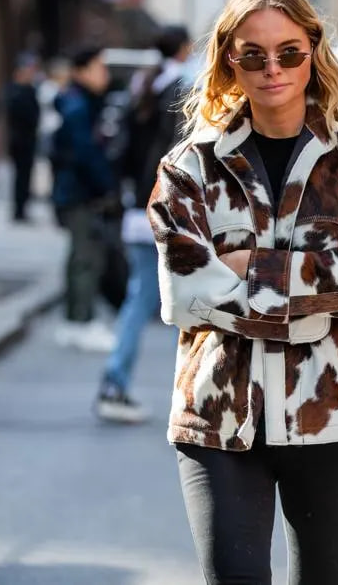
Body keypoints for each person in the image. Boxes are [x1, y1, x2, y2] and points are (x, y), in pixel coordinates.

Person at [148, 0, 338, 584]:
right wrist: (328, 266)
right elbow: (186, 296)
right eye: (253, 55)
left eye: (289, 52)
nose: (272, 69)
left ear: (313, 50)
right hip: (218, 419)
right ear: (229, 59)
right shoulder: (188, 169)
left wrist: (245, 266)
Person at [94, 25, 192, 423]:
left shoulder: (143, 86)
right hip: (168, 209)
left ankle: (116, 383)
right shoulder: (179, 91)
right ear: (184, 48)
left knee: (143, 300)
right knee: (186, 304)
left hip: (138, 208)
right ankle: (190, 396)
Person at [50, 45, 118, 352]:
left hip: (74, 190)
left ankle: (74, 320)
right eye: (99, 68)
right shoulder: (78, 107)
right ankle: (81, 321)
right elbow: (85, 153)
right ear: (81, 71)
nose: (105, 75)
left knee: (80, 255)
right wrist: (106, 185)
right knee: (86, 257)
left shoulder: (77, 102)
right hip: (79, 192)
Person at [6, 53, 41, 223]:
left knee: (26, 176)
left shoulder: (30, 89)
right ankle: (19, 209)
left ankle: (23, 207)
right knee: (20, 176)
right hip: (20, 140)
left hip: (29, 138)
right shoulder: (16, 91)